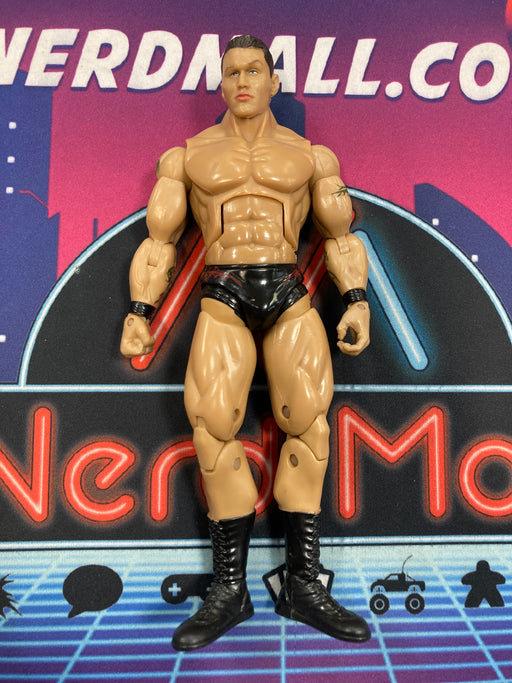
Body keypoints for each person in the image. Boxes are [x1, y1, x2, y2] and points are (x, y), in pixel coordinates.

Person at [121, 34, 371, 650]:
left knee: (309, 428)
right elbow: (159, 241)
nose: (242, 81)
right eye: (231, 71)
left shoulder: (311, 157)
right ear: (221, 83)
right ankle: (229, 590)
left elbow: (340, 236)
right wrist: (139, 311)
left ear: (273, 81)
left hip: (288, 289)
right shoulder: (188, 157)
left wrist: (357, 300)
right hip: (223, 291)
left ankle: (303, 585)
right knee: (212, 427)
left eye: (253, 70)